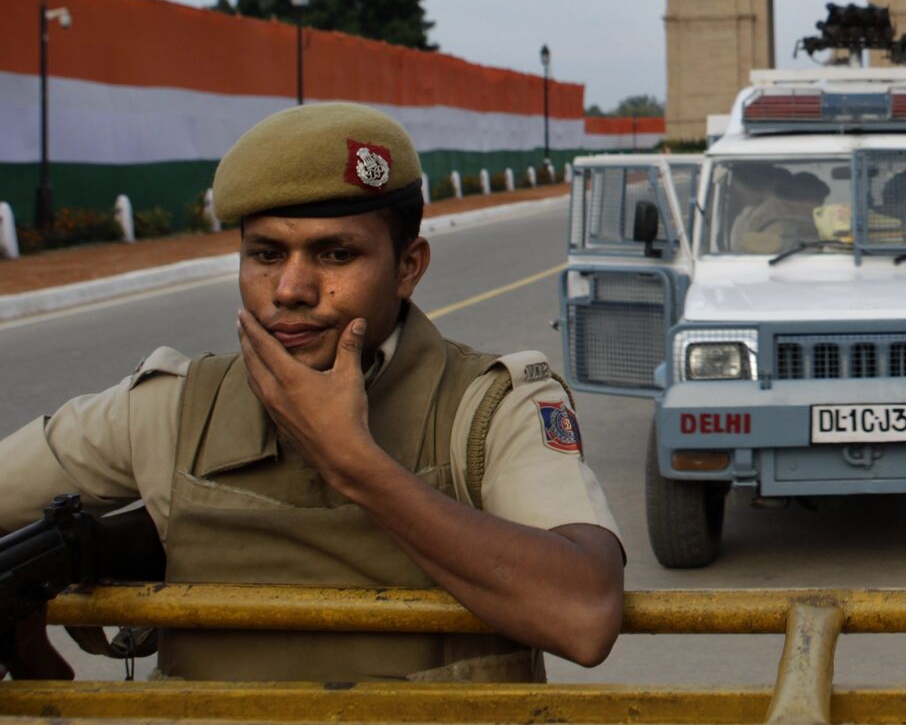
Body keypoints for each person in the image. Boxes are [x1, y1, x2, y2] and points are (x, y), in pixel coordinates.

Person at [0, 103, 626, 682]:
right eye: (266, 253)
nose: (292, 289)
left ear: (408, 266)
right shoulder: (172, 408)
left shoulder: (488, 407)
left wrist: (352, 463)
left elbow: (583, 613)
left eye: (334, 253)